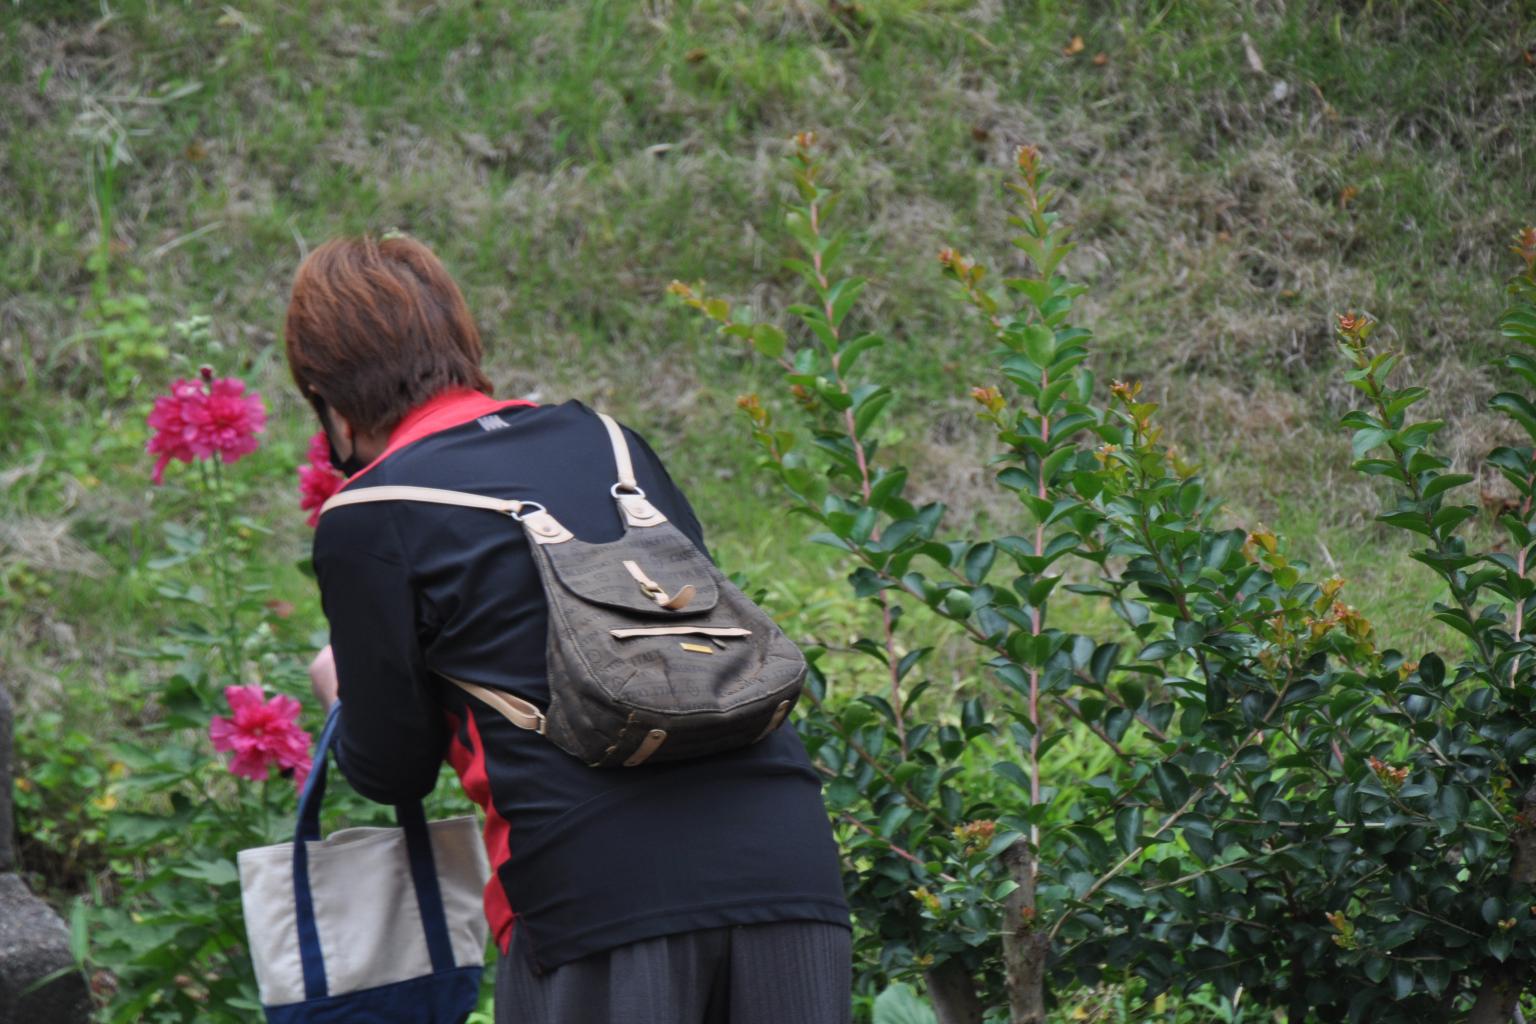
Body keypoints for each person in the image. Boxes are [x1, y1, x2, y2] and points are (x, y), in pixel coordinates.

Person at [284, 234, 852, 1024]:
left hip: (595, 899)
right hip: (789, 872)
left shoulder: (370, 513)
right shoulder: (613, 445)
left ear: (328, 401)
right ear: (459, 342)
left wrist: (342, 693)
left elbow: (392, 766)